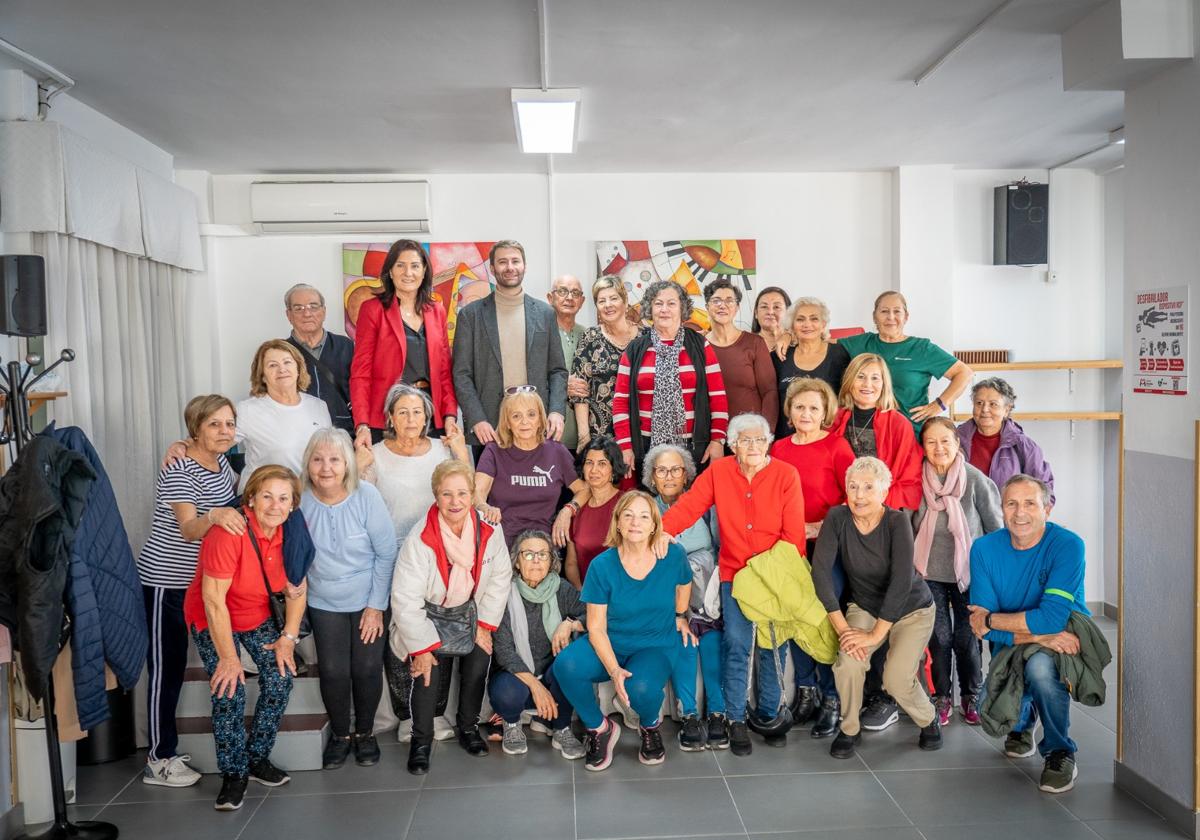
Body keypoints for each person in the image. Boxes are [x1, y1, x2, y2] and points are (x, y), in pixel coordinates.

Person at [659, 413, 807, 756]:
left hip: (776, 575)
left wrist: (774, 577)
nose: (752, 446)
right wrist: (661, 531)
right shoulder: (720, 471)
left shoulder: (786, 475)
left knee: (773, 644)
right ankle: (736, 720)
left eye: (758, 440)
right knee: (737, 643)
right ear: (733, 445)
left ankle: (769, 715)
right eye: (744, 440)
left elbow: (794, 537)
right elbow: (690, 507)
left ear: (768, 442)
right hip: (736, 574)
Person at [183, 465, 305, 811]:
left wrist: (288, 638)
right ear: (250, 498)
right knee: (229, 687)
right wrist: (228, 657)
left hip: (256, 614)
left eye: (283, 498)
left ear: (293, 505)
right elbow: (212, 599)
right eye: (267, 496)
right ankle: (234, 773)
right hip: (212, 617)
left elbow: (297, 590)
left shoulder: (292, 533)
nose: (275, 505)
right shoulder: (229, 531)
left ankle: (256, 758)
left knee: (280, 677)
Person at [138, 395, 242, 788]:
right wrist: (213, 516)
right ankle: (158, 759)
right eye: (214, 424)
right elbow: (187, 528)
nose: (224, 431)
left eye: (229, 424)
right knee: (167, 670)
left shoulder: (223, 464)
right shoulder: (180, 468)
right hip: (168, 583)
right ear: (195, 427)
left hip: (205, 583)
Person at [552, 492, 694, 771]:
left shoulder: (672, 554)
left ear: (654, 524)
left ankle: (651, 725)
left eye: (644, 516)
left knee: (639, 688)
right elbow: (595, 626)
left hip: (654, 645)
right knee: (566, 665)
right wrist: (614, 670)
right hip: (611, 640)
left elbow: (684, 587)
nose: (635, 522)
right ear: (617, 523)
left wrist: (679, 615)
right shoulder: (602, 565)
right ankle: (599, 728)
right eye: (628, 515)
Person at [810, 457, 940, 760]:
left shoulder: (896, 522)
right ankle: (850, 729)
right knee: (849, 663)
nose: (859, 495)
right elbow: (820, 573)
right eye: (853, 487)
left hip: (912, 609)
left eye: (869, 487)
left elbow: (899, 583)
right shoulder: (837, 518)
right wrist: (845, 631)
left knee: (895, 678)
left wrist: (874, 635)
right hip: (866, 605)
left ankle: (927, 718)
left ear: (884, 491)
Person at [390, 460, 513, 775]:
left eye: (462, 493)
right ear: (436, 496)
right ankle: (421, 740)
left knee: (477, 665)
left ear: (473, 494)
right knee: (427, 673)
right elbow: (405, 598)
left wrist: (484, 625)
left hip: (470, 612)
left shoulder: (489, 529)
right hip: (428, 615)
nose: (455, 502)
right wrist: (421, 646)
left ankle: (469, 729)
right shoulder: (420, 538)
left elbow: (500, 577)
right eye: (447, 494)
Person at [968, 475, 1088, 794]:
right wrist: (1039, 635)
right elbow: (980, 626)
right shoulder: (983, 548)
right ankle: (1021, 725)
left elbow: (1052, 620)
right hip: (1021, 642)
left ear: (1047, 509)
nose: (1020, 513)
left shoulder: (1068, 545)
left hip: (1068, 637)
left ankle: (1060, 750)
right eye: (1011, 504)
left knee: (1039, 668)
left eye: (1030, 504)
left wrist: (1002, 622)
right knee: (999, 692)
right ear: (1002, 509)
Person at [299, 429, 396, 770]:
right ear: (307, 464)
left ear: (347, 465)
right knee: (334, 671)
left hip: (367, 597)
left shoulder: (365, 495)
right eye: (318, 459)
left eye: (335, 459)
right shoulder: (298, 499)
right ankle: (341, 736)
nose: (326, 468)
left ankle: (365, 733)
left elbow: (386, 554)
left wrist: (375, 607)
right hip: (323, 600)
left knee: (367, 668)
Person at [767, 378, 855, 738]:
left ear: (825, 414)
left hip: (827, 546)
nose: (805, 414)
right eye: (799, 407)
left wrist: (820, 526)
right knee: (794, 616)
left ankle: (831, 698)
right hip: (789, 548)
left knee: (821, 617)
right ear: (789, 411)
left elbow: (855, 497)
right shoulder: (780, 449)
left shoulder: (837, 447)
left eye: (813, 408)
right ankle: (805, 691)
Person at [912, 417, 1002, 728]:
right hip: (928, 572)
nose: (939, 448)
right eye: (931, 442)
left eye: (945, 441)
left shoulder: (975, 481)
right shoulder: (915, 481)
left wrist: (995, 576)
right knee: (939, 637)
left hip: (969, 575)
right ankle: (942, 697)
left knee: (967, 637)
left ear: (957, 443)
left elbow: (995, 530)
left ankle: (971, 695)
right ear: (923, 447)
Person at [644, 444, 726, 751]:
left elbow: (720, 548)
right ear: (652, 476)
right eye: (661, 470)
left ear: (687, 474)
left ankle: (718, 714)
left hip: (706, 590)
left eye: (675, 469)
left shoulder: (705, 507)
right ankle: (690, 715)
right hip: (666, 594)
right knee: (684, 642)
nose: (669, 476)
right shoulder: (646, 508)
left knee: (712, 643)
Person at [452, 240, 568, 448]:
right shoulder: (471, 315)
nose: (510, 267)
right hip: (489, 427)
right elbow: (461, 374)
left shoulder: (545, 313)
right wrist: (477, 419)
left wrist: (557, 411)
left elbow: (558, 370)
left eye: (515, 261)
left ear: (524, 265)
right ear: (493, 268)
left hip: (536, 424)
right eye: (503, 262)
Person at [612, 279, 728, 479]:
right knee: (653, 505)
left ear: (682, 308)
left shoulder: (701, 345)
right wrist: (625, 446)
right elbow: (621, 402)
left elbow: (717, 397)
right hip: (645, 447)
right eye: (658, 303)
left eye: (671, 303)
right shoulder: (634, 349)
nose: (664, 309)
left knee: (692, 505)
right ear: (650, 308)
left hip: (694, 446)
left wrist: (717, 441)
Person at [489, 530, 587, 760]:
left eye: (543, 554)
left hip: (552, 676)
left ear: (552, 561)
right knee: (507, 691)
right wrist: (537, 687)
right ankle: (512, 724)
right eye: (529, 554)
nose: (536, 561)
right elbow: (504, 651)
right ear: (517, 561)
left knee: (569, 669)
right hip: (517, 678)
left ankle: (561, 728)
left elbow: (591, 616)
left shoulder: (561, 589)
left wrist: (570, 624)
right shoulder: (503, 593)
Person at [350, 240, 458, 448]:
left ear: (424, 271)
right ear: (390, 271)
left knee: (433, 477)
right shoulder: (372, 310)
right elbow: (361, 372)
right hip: (388, 414)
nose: (408, 272)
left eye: (415, 266)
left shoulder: (436, 311)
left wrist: (450, 414)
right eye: (400, 265)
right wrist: (362, 424)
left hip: (429, 412)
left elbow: (444, 372)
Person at [838, 291, 973, 433]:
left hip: (910, 432)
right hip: (867, 433)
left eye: (897, 311)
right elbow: (821, 345)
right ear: (874, 317)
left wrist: (940, 404)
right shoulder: (860, 343)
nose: (890, 317)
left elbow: (964, 373)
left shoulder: (922, 348)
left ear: (906, 317)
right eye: (884, 311)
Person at [359, 382, 470, 543]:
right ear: (391, 418)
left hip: (438, 545)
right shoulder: (374, 454)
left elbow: (467, 493)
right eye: (403, 412)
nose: (411, 419)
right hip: (391, 547)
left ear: (425, 418)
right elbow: (359, 505)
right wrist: (357, 465)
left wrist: (462, 453)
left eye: (417, 412)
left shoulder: (444, 449)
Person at [475, 390, 586, 549]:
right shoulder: (494, 451)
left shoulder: (556, 451)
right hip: (502, 544)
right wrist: (485, 508)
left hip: (543, 545)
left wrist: (567, 510)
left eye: (531, 414)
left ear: (541, 420)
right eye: (516, 416)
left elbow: (584, 490)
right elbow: (477, 493)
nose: (524, 422)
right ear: (507, 423)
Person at [234, 340, 333, 491]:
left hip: (308, 497)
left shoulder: (319, 406)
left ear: (298, 368)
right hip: (263, 501)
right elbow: (214, 443)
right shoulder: (247, 410)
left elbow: (327, 452)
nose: (282, 369)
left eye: (287, 362)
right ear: (262, 376)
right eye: (272, 365)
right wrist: (186, 445)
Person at [828, 352, 922, 509]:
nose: (867, 384)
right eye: (860, 377)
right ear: (850, 380)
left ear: (884, 384)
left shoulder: (899, 424)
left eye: (875, 378)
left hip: (882, 505)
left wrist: (870, 505)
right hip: (840, 504)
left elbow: (907, 478)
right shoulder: (833, 419)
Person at [570, 275, 642, 450]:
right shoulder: (590, 337)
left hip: (640, 431)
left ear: (625, 302)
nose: (608, 305)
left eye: (614, 298)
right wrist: (584, 437)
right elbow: (580, 391)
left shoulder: (645, 337)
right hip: (601, 436)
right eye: (601, 301)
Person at [957, 377, 1055, 500]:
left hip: (1007, 518)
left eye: (993, 404)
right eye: (979, 403)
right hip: (964, 517)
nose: (984, 410)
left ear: (1006, 409)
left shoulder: (1023, 445)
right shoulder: (955, 439)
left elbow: (1045, 491)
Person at [772, 297, 851, 438]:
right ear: (792, 326)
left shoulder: (840, 354)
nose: (807, 324)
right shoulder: (780, 356)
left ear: (823, 325)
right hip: (786, 439)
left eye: (814, 319)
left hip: (828, 439)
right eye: (800, 319)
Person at [704, 278, 778, 426]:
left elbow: (770, 393)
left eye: (729, 301)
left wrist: (765, 435)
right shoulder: (698, 346)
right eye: (716, 300)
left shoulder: (754, 343)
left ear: (737, 307)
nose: (722, 306)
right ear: (707, 306)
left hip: (750, 437)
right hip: (711, 438)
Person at [284, 283, 355, 435]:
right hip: (296, 434)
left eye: (313, 306)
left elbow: (361, 391)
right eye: (298, 308)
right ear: (288, 315)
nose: (307, 314)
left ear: (324, 311)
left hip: (342, 432)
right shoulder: (280, 352)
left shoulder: (346, 346)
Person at [565, 435, 626, 587]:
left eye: (602, 464)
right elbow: (571, 563)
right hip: (586, 596)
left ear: (613, 469)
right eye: (589, 463)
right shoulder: (576, 509)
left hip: (621, 593)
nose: (594, 470)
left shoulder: (626, 504)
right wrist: (581, 593)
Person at [548, 274, 588, 451]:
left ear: (582, 300)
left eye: (575, 293)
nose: (569, 298)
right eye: (562, 291)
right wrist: (563, 384)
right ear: (550, 297)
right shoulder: (540, 334)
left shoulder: (589, 335)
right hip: (550, 432)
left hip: (584, 435)